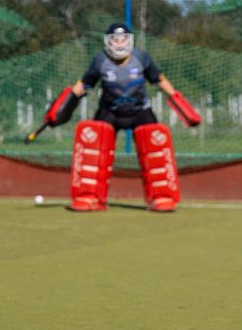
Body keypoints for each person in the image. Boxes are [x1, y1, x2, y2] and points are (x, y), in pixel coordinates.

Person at [38, 22, 201, 212]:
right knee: (93, 145)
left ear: (130, 40)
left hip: (140, 111)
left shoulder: (142, 58)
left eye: (122, 39)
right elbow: (82, 85)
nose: (119, 43)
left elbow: (159, 80)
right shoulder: (100, 61)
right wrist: (59, 110)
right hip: (109, 112)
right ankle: (90, 197)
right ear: (108, 42)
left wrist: (179, 102)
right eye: (114, 40)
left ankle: (161, 197)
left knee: (155, 145)